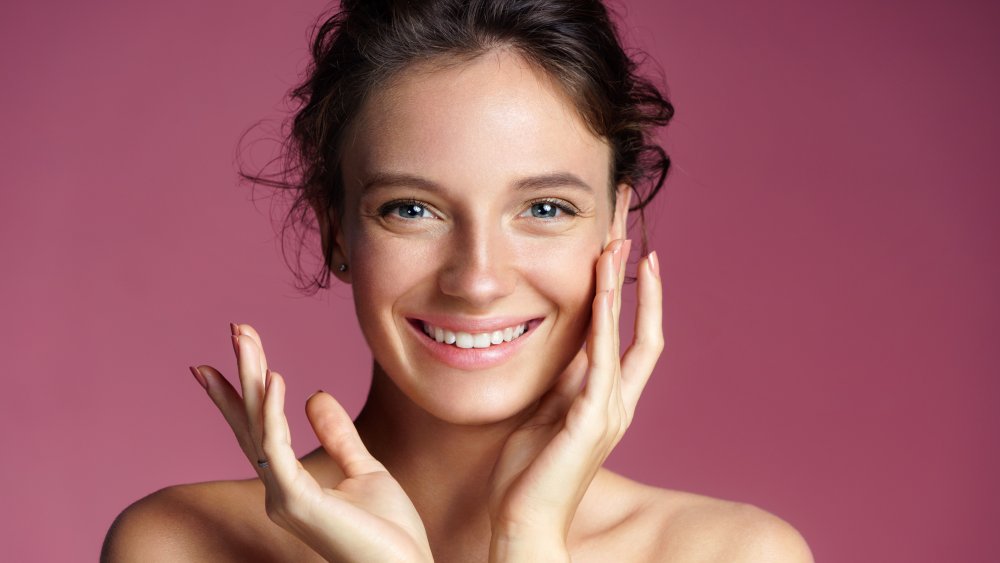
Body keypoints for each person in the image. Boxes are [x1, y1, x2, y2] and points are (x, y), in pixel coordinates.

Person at [102, 0, 813, 561]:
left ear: (615, 224)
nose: (476, 279)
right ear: (334, 227)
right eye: (411, 209)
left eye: (544, 208)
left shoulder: (733, 554)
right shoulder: (184, 544)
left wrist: (527, 542)